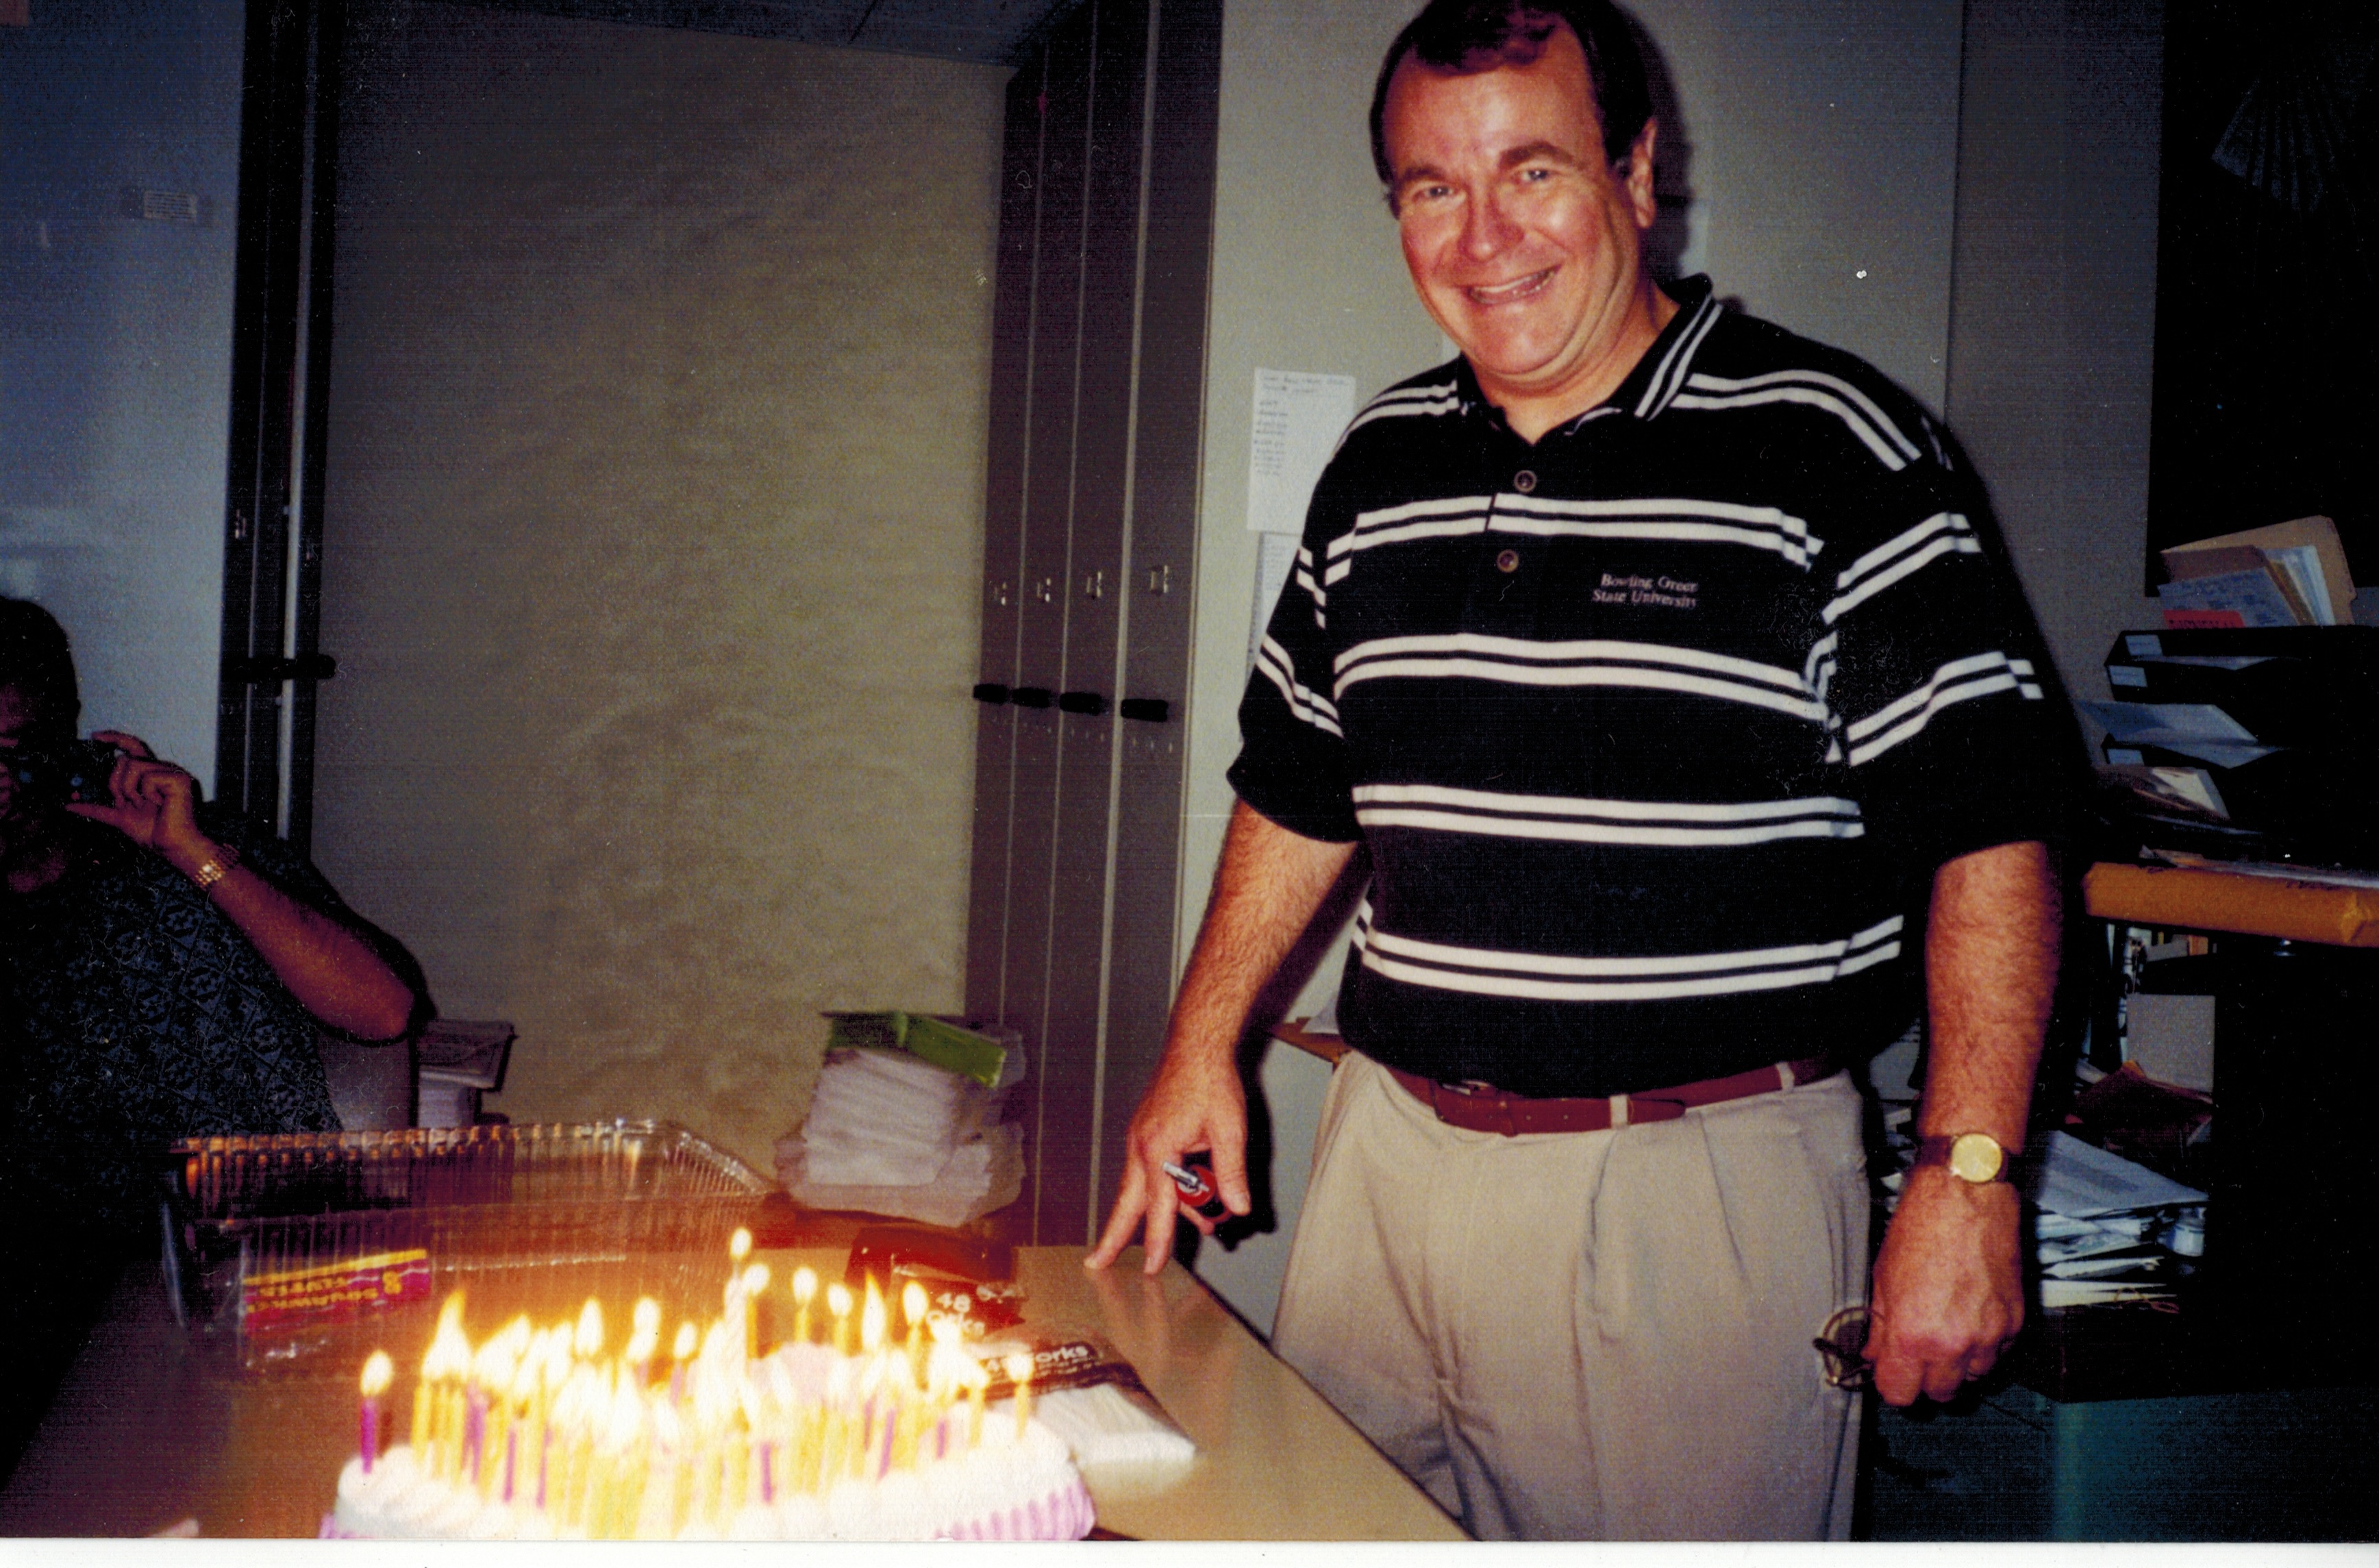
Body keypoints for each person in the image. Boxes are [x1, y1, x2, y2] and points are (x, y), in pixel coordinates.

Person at [1087, 0, 2071, 1541]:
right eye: (1428, 188)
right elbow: (1294, 784)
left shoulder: (1830, 442)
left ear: (1632, 166)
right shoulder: (1380, 461)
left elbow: (1987, 832)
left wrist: (1967, 1177)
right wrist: (1198, 1043)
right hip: (1383, 1168)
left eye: (1530, 171)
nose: (1481, 238)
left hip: (1682, 1195)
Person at [0, 597, 425, 1233]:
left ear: (66, 739)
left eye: (15, 749)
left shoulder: (191, 843)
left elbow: (384, 1009)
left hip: (270, 1248)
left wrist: (194, 854)